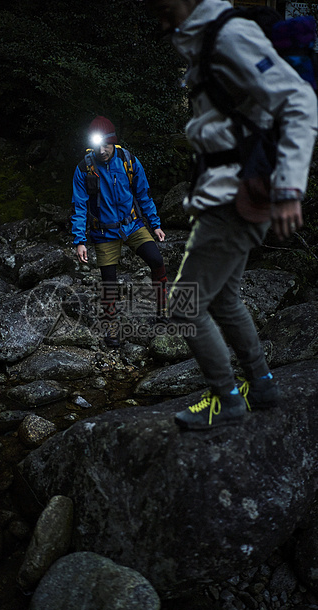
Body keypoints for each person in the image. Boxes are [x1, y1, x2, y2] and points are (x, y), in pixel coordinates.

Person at [147, 0, 318, 429]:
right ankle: (261, 383)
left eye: (160, 5)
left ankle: (226, 398)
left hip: (235, 198)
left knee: (184, 305)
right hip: (225, 193)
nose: (155, 16)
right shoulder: (204, 39)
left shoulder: (229, 36)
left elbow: (299, 101)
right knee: (223, 299)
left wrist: (289, 189)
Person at [71, 115, 167, 347]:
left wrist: (155, 224)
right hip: (104, 232)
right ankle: (112, 327)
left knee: (157, 260)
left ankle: (163, 311)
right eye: (98, 146)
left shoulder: (129, 161)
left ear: (114, 142)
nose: (102, 150)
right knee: (109, 282)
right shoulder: (85, 169)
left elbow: (143, 194)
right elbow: (79, 205)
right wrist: (79, 240)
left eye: (106, 145)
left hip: (132, 225)